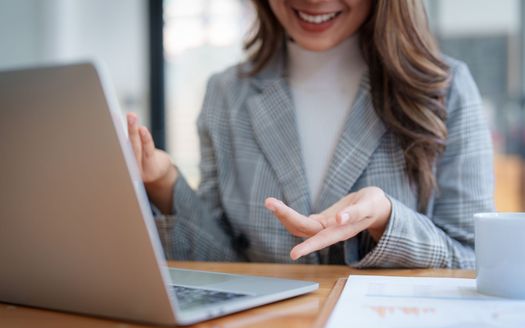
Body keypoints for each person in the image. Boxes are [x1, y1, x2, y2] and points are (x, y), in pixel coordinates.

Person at [127, 0, 493, 268]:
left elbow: (474, 259)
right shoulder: (226, 93)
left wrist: (387, 221)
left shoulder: (446, 89)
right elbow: (223, 260)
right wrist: (163, 182)